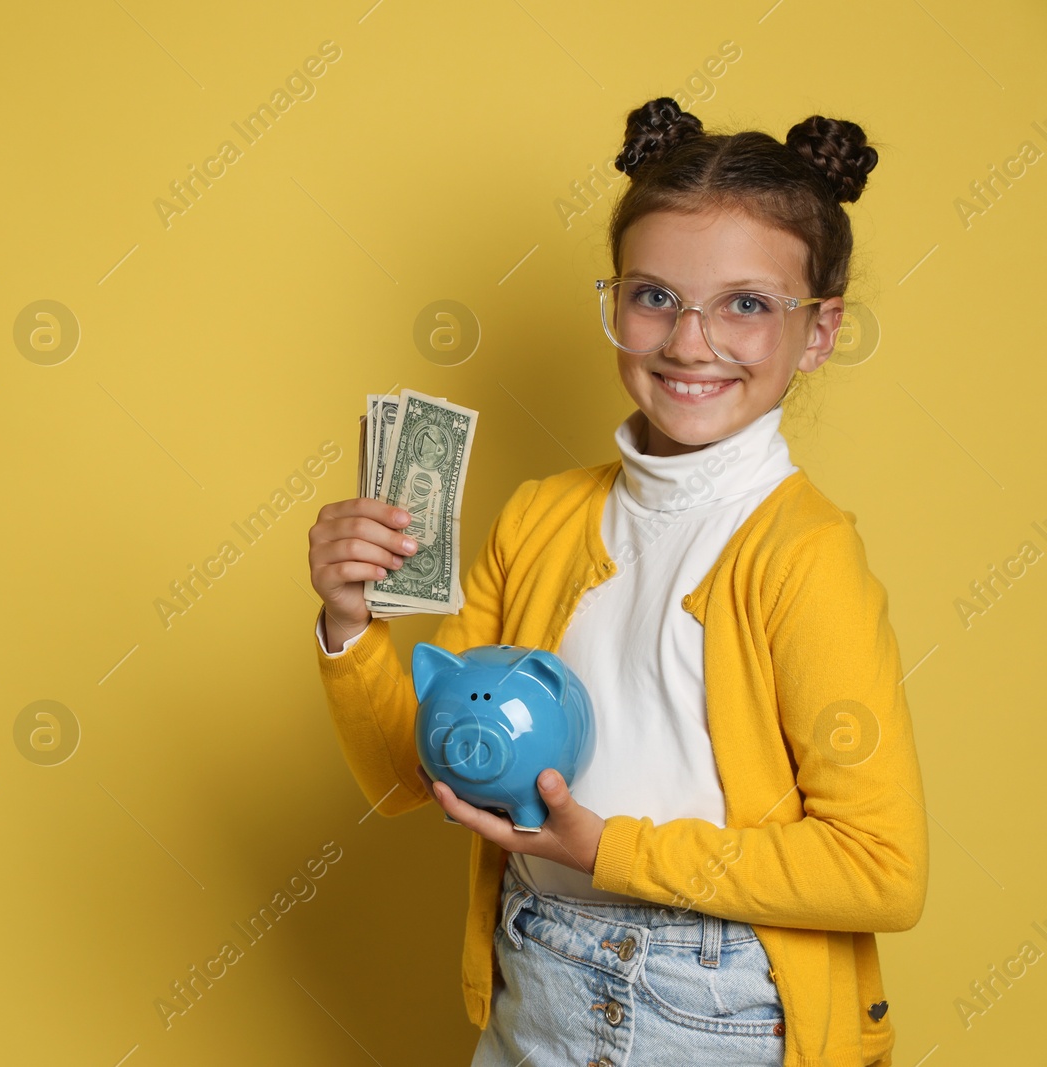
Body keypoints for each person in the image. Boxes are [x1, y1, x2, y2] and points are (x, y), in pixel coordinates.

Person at [306, 96, 928, 1067]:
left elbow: (880, 867)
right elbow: (410, 771)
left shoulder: (802, 556)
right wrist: (349, 625)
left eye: (747, 304)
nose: (689, 341)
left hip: (714, 1003)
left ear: (817, 330)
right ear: (614, 300)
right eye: (654, 296)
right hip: (535, 977)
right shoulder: (540, 516)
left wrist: (607, 849)